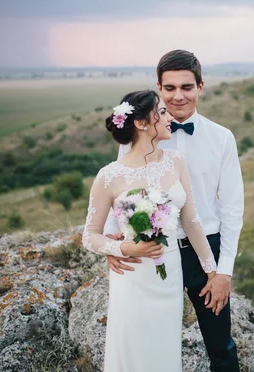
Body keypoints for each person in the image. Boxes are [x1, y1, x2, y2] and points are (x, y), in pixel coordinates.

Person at [104, 50, 244, 372]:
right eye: (169, 88)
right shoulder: (137, 135)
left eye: (186, 87)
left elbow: (233, 209)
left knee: (220, 345)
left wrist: (223, 271)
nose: (178, 96)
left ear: (200, 87)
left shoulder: (222, 138)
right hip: (152, 250)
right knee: (152, 343)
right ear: (159, 88)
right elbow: (120, 187)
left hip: (205, 249)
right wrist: (114, 242)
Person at [82, 89, 218, 371]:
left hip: (169, 276)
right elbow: (90, 235)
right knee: (135, 352)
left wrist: (213, 270)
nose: (170, 115)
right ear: (142, 124)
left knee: (164, 352)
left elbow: (191, 222)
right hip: (133, 277)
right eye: (163, 112)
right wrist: (122, 248)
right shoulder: (109, 176)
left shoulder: (176, 161)